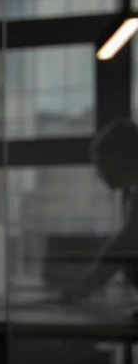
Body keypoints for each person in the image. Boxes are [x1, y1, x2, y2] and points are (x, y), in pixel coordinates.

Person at [61, 117, 138, 302]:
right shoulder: (132, 191)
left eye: (101, 163)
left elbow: (123, 245)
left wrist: (82, 289)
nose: (100, 173)